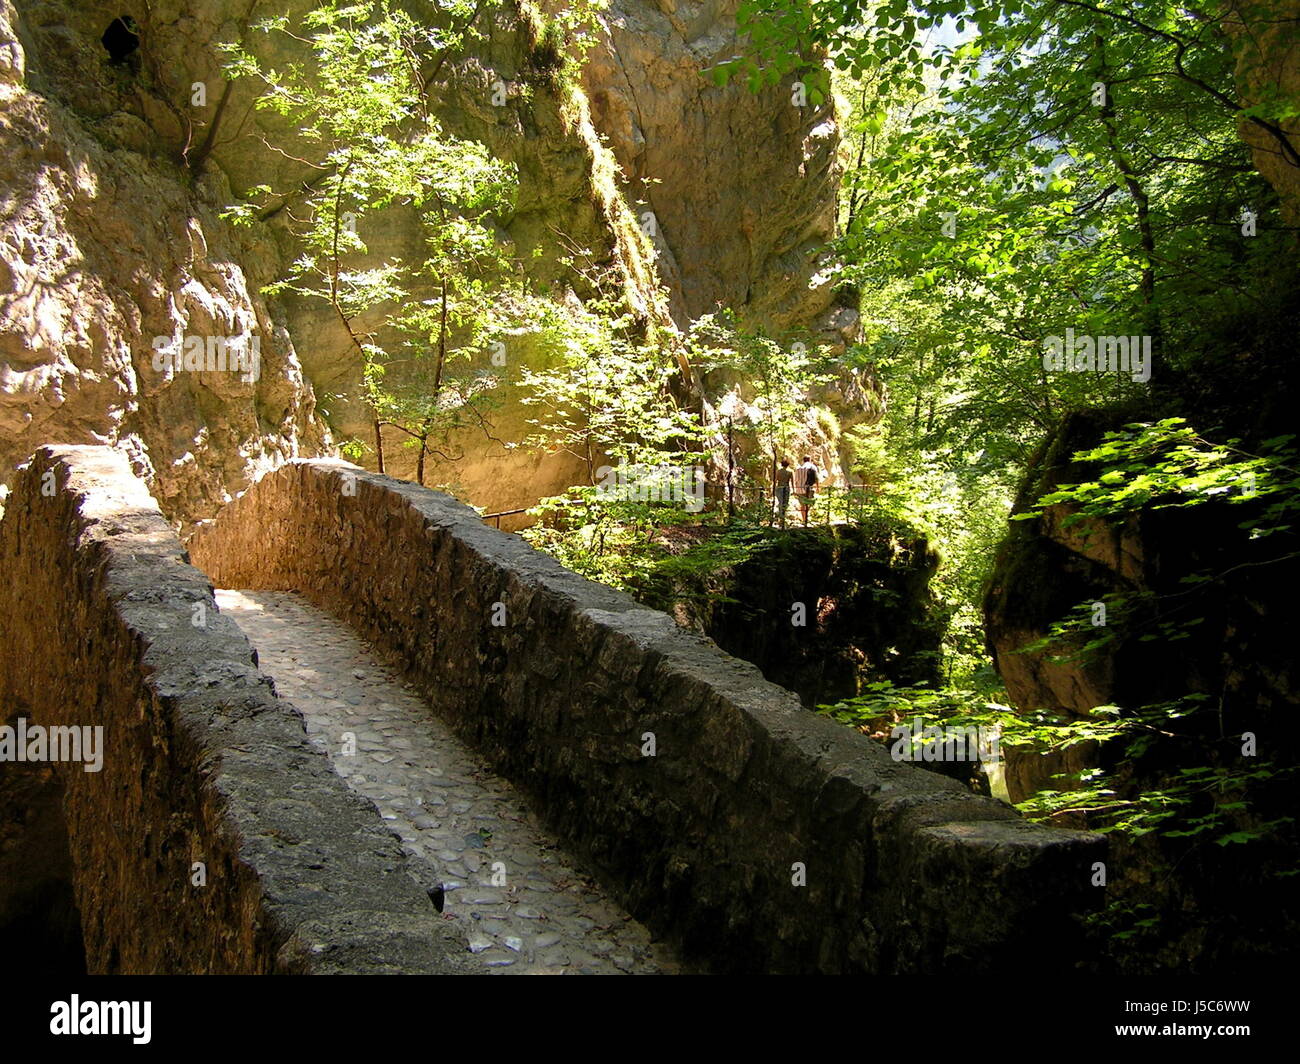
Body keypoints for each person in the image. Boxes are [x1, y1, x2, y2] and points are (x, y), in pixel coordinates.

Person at [794, 455, 819, 526]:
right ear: (810, 459)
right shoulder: (812, 467)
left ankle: (804, 519)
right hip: (809, 488)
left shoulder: (799, 468)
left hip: (800, 488)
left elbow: (796, 480)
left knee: (802, 504)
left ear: (803, 460)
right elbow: (816, 478)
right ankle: (806, 518)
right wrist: (818, 487)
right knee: (809, 503)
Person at [774, 459, 794, 528]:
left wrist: (773, 488)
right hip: (786, 488)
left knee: (780, 502)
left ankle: (780, 518)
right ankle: (783, 519)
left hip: (779, 487)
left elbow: (775, 480)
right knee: (785, 503)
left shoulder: (778, 471)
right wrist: (793, 490)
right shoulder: (790, 472)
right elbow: (792, 482)